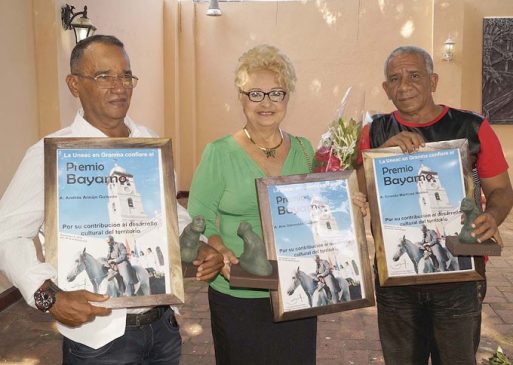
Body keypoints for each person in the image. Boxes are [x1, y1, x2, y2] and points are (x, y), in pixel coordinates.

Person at [0, 35, 223, 364]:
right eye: (104, 76)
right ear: (74, 84)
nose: (119, 86)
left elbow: (167, 212)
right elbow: (7, 232)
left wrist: (199, 243)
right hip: (98, 341)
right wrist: (47, 296)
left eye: (125, 75)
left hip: (162, 329)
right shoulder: (52, 154)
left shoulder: (149, 143)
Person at [358, 45, 513, 365]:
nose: (404, 86)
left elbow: (500, 190)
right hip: (397, 279)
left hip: (460, 273)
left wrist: (492, 216)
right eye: (395, 79)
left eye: (414, 76)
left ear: (433, 80)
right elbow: (357, 193)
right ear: (386, 90)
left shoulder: (472, 127)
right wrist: (382, 154)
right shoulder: (374, 132)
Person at [187, 44, 317, 364]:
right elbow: (199, 215)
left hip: (296, 288)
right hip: (238, 292)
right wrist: (218, 248)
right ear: (241, 97)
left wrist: (348, 204)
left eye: (276, 93)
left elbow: (317, 209)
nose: (266, 103)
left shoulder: (304, 150)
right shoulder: (219, 152)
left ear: (287, 97)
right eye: (255, 93)